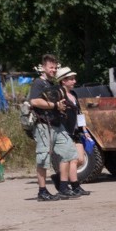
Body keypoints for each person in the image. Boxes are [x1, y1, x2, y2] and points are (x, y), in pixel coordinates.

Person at [29, 59, 84, 201]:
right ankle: (42, 191)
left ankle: (64, 187)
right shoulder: (38, 83)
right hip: (43, 125)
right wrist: (55, 105)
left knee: (70, 153)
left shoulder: (51, 84)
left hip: (56, 125)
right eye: (50, 67)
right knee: (43, 158)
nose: (53, 70)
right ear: (44, 68)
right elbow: (34, 101)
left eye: (55, 68)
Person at [57, 68, 91, 195]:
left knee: (80, 159)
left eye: (74, 79)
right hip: (65, 131)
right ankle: (73, 186)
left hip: (76, 131)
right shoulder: (60, 95)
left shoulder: (74, 94)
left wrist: (84, 129)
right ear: (63, 81)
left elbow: (79, 113)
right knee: (72, 160)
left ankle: (65, 179)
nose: (74, 81)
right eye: (71, 79)